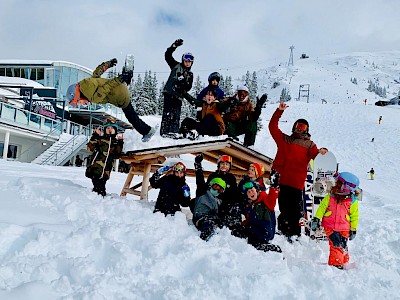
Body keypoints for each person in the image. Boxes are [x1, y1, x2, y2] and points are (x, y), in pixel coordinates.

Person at [269, 101, 328, 242]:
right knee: (283, 208)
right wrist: (279, 111)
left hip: (296, 183)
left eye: (302, 127)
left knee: (295, 211)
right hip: (282, 180)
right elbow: (272, 127)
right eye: (297, 126)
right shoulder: (284, 140)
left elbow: (316, 155)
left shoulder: (310, 144)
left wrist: (322, 151)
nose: (299, 129)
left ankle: (295, 234)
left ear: (307, 129)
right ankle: (283, 232)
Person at [66, 58, 156, 142]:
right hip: (119, 87)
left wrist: (120, 79)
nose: (81, 104)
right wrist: (109, 64)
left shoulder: (93, 97)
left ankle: (147, 131)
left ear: (77, 95)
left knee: (132, 117)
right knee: (123, 84)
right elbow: (97, 72)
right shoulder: (88, 83)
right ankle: (127, 74)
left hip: (120, 96)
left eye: (78, 102)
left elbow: (107, 87)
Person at [311, 172, 360, 270]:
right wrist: (316, 219)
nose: (335, 185)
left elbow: (354, 216)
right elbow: (322, 208)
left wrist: (353, 229)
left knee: (342, 244)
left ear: (345, 188)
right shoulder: (330, 196)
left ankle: (344, 260)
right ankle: (336, 264)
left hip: (344, 228)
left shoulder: (352, 201)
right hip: (330, 226)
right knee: (335, 244)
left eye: (338, 183)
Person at [195, 154, 243, 237]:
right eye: (222, 163)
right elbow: (202, 186)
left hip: (224, 206)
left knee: (235, 207)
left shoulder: (231, 178)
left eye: (227, 164)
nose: (224, 166)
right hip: (211, 204)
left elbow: (235, 195)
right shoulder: (213, 176)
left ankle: (235, 228)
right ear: (218, 165)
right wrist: (198, 167)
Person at [160, 39, 194, 137]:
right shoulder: (176, 65)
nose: (187, 62)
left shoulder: (190, 75)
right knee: (168, 112)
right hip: (170, 92)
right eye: (186, 60)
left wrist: (183, 83)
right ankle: (164, 132)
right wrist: (174, 46)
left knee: (176, 115)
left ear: (192, 63)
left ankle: (174, 131)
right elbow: (167, 56)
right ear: (183, 60)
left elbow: (188, 87)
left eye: (189, 61)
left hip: (179, 96)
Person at [85, 117, 123, 196]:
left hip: (106, 169)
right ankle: (97, 194)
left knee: (102, 184)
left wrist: (120, 143)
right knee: (97, 184)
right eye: (108, 128)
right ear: (105, 129)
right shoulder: (100, 139)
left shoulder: (115, 142)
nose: (110, 129)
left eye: (112, 128)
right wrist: (95, 136)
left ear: (115, 130)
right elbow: (90, 148)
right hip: (95, 167)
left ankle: (99, 195)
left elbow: (117, 155)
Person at [242, 179, 282, 252]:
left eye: (252, 190)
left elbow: (273, 196)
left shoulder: (266, 200)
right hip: (255, 231)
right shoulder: (249, 206)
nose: (251, 192)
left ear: (257, 190)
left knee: (253, 242)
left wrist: (274, 186)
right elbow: (249, 220)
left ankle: (273, 249)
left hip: (265, 233)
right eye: (248, 192)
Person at [190, 160, 227, 241]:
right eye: (216, 187)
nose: (217, 191)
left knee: (223, 225)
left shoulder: (219, 201)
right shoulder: (202, 192)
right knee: (209, 224)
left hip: (214, 219)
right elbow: (200, 180)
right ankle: (205, 241)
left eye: (220, 190)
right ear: (210, 185)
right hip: (202, 218)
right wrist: (198, 166)